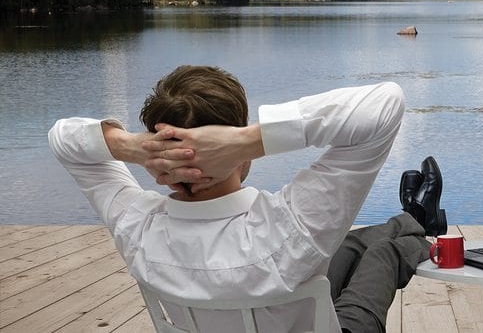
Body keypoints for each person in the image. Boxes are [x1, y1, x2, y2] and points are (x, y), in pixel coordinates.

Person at [49, 65, 447, 332]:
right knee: (382, 254)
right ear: (229, 145)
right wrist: (249, 141)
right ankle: (417, 226)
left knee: (354, 242)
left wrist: (134, 148)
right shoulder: (287, 227)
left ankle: (413, 215)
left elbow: (64, 139)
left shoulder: (136, 226)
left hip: (284, 279)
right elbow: (386, 103)